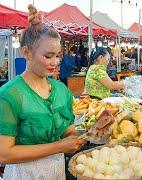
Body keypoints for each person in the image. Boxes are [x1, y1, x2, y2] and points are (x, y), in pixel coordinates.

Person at [0, 5, 85, 180]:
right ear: (26, 52)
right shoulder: (10, 94)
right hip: (23, 174)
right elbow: (5, 154)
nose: (55, 62)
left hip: (57, 171)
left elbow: (67, 131)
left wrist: (93, 131)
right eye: (48, 56)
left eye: (58, 55)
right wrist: (59, 147)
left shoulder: (61, 90)